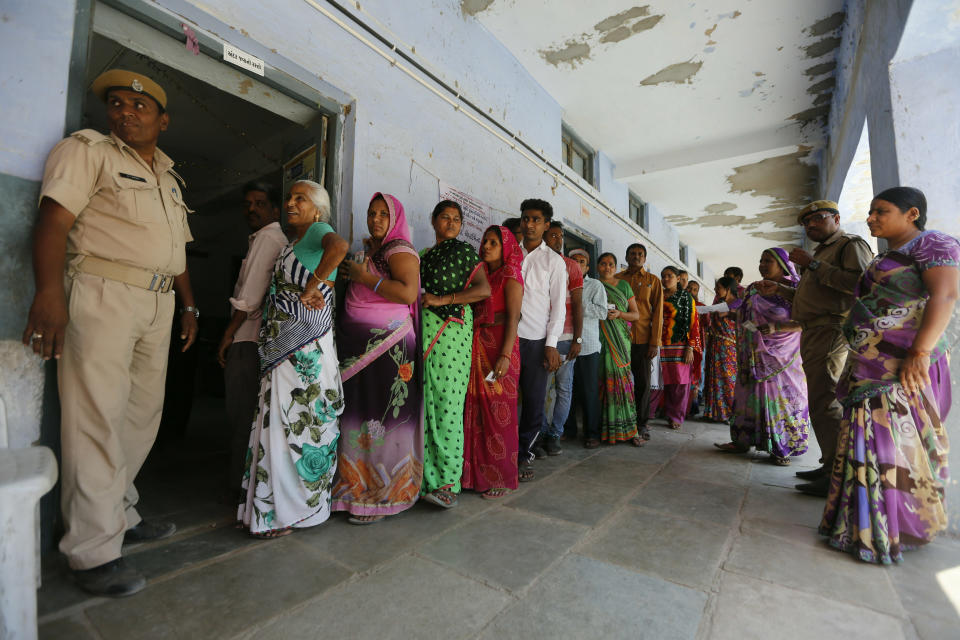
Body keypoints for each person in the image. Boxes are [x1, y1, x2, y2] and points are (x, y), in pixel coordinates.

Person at [22, 70, 197, 596]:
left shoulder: (169, 177)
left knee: (142, 413)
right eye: (116, 104)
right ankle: (91, 549)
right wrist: (48, 294)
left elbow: (179, 251)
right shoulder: (88, 151)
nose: (125, 112)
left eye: (139, 106)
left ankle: (118, 511)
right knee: (96, 414)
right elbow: (53, 222)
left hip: (159, 301)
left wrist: (190, 306)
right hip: (102, 292)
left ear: (162, 121)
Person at [820, 187, 959, 564]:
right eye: (870, 212)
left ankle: (887, 528)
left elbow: (944, 296)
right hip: (871, 363)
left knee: (889, 444)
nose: (871, 219)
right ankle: (856, 523)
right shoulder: (888, 256)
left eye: (880, 211)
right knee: (864, 441)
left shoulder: (934, 244)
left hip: (902, 365)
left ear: (912, 213)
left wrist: (919, 352)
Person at [238, 180, 349, 538]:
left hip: (305, 350)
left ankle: (296, 510)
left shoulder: (319, 230)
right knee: (279, 423)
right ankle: (272, 511)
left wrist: (312, 285)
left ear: (317, 209)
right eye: (289, 197)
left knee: (301, 423)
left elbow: (340, 247)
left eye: (300, 198)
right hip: (282, 351)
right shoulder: (292, 243)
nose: (290, 203)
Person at [756, 200, 873, 497]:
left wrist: (813, 264)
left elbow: (861, 283)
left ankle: (837, 474)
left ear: (835, 218)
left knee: (827, 400)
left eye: (817, 219)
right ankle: (829, 464)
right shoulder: (821, 253)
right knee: (820, 400)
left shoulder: (849, 245)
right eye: (806, 223)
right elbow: (815, 294)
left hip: (832, 329)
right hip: (814, 330)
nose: (810, 226)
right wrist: (781, 289)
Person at [332, 193, 421, 524]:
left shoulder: (399, 250)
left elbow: (407, 293)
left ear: (396, 218)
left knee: (379, 420)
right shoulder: (372, 249)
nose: (376, 218)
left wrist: (364, 276)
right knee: (359, 417)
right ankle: (354, 490)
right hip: (360, 349)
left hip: (388, 348)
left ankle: (381, 496)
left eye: (384, 214)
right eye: (372, 213)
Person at [419, 201, 491, 508]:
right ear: (433, 221)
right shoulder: (421, 256)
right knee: (425, 402)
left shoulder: (464, 252)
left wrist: (442, 299)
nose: (451, 223)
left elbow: (483, 290)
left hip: (452, 330)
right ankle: (422, 479)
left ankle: (447, 481)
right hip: (424, 329)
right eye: (445, 218)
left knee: (448, 403)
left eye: (456, 219)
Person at [217, 182, 287, 494]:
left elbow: (249, 298)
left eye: (260, 203)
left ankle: (239, 491)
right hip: (255, 340)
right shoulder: (265, 238)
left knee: (242, 416)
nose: (252, 209)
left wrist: (228, 335)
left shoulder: (269, 237)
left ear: (275, 210)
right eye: (248, 204)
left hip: (247, 340)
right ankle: (246, 490)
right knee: (248, 418)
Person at [715, 249, 810, 465]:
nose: (762, 265)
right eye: (761, 261)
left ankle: (781, 447)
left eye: (768, 261)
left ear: (783, 265)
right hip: (753, 355)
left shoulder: (795, 289)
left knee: (783, 400)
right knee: (748, 397)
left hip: (784, 359)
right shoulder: (753, 290)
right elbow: (745, 318)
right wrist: (749, 328)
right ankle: (742, 441)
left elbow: (807, 321)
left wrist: (777, 327)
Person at [462, 225, 524, 499]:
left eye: (493, 243)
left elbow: (513, 318)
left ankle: (500, 476)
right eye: (485, 241)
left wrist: (505, 355)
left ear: (506, 248)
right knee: (474, 411)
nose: (485, 246)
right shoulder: (480, 274)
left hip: (500, 347)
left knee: (500, 414)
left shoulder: (511, 275)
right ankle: (474, 476)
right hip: (476, 345)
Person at [516, 199, 567, 482]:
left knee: (534, 402)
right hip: (508, 338)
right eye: (526, 218)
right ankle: (502, 451)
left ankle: (523, 454)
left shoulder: (554, 262)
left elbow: (558, 307)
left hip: (536, 340)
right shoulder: (511, 253)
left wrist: (551, 344)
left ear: (546, 225)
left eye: (536, 219)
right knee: (505, 398)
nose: (530, 224)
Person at [536, 221, 583, 457]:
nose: (558, 239)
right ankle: (541, 433)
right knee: (540, 390)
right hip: (540, 337)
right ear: (544, 236)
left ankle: (555, 435)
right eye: (553, 235)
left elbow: (577, 304)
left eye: (560, 236)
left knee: (564, 389)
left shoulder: (571, 266)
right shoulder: (535, 262)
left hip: (565, 338)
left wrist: (578, 338)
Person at [616, 244, 664, 440]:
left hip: (643, 340)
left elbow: (658, 313)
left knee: (643, 383)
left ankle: (642, 423)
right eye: (633, 254)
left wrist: (655, 342)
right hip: (619, 339)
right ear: (626, 256)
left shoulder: (653, 281)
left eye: (640, 254)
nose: (636, 257)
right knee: (619, 382)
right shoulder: (617, 279)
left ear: (645, 258)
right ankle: (620, 420)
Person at [596, 253, 643, 446]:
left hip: (621, 341)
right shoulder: (593, 285)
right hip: (600, 339)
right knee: (603, 383)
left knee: (624, 383)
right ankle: (607, 430)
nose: (607, 268)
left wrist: (620, 314)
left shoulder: (624, 286)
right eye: (604, 264)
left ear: (616, 267)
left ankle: (631, 430)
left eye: (611, 264)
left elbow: (636, 315)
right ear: (598, 266)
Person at [566, 249, 608, 447]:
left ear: (587, 267)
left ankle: (592, 432)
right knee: (567, 390)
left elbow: (602, 312)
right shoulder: (562, 281)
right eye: (574, 260)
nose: (577, 264)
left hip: (588, 346)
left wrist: (579, 303)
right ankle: (569, 430)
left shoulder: (595, 285)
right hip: (565, 342)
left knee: (589, 391)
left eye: (582, 261)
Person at [659, 266, 702, 430]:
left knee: (679, 382)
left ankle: (675, 415)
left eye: (670, 276)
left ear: (678, 279)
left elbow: (693, 322)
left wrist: (690, 347)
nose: (666, 279)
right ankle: (659, 411)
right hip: (659, 344)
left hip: (679, 345)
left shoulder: (686, 297)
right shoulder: (658, 295)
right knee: (661, 379)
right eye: (663, 276)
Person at [702, 277, 739, 423]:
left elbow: (746, 323)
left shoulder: (738, 303)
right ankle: (714, 413)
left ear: (728, 289)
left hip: (729, 348)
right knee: (713, 378)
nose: (716, 290)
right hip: (715, 345)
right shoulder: (718, 303)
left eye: (718, 287)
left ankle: (731, 414)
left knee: (728, 380)